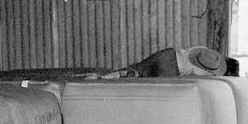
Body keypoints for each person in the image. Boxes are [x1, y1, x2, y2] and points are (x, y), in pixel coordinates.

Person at [100, 46, 234, 78]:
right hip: (172, 69)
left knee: (137, 69)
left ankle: (104, 78)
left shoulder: (204, 51)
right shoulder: (210, 71)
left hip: (169, 53)